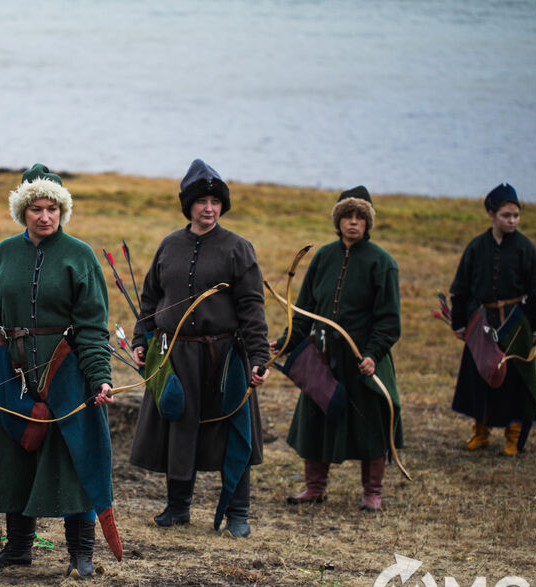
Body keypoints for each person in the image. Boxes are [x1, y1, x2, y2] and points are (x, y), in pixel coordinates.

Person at [0, 163, 114, 578]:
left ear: (62, 211)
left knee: (73, 455)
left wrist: (100, 375)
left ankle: (81, 555)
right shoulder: (4, 252)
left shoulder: (80, 256)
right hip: (12, 371)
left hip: (66, 371)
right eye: (36, 208)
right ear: (23, 211)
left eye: (52, 208)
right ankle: (18, 548)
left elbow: (92, 327)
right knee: (16, 452)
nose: (45, 216)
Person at [128, 158, 269, 538]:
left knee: (233, 430)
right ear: (188, 205)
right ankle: (177, 508)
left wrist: (258, 357)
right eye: (202, 201)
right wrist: (141, 341)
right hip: (176, 355)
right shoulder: (169, 246)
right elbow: (150, 299)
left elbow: (252, 306)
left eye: (216, 201)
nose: (209, 208)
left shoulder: (238, 248)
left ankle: (238, 512)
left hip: (226, 357)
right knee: (180, 427)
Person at [273, 186, 402, 511]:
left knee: (372, 420)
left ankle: (372, 491)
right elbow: (304, 310)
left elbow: (389, 321)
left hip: (364, 358)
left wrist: (373, 354)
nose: (353, 222)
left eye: (360, 217)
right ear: (338, 220)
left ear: (368, 222)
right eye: (347, 216)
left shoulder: (382, 262)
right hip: (323, 355)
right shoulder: (323, 257)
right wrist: (287, 341)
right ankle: (315, 488)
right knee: (316, 416)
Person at [449, 183, 536, 455]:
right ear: (491, 215)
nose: (512, 221)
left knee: (515, 381)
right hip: (482, 323)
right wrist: (459, 323)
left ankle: (514, 436)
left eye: (516, 215)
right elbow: (460, 289)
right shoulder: (476, 247)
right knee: (481, 376)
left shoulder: (525, 248)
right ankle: (481, 432)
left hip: (516, 324)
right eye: (507, 215)